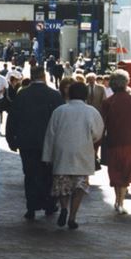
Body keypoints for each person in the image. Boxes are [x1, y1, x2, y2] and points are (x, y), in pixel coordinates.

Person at [42, 82, 104, 229]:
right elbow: (98, 133)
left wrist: (47, 156)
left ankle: (63, 207)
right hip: (82, 152)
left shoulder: (59, 111)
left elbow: (50, 134)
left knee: (62, 185)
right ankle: (72, 216)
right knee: (79, 186)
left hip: (62, 153)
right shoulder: (91, 111)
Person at [6, 66, 64, 220]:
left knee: (30, 174)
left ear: (31, 77)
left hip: (27, 142)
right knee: (49, 174)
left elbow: (12, 119)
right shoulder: (55, 95)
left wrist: (11, 140)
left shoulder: (22, 95)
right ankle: (49, 205)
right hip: (49, 143)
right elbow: (61, 122)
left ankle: (31, 207)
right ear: (44, 76)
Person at [101, 70, 131, 215]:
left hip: (113, 141)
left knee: (115, 170)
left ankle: (117, 199)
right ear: (126, 82)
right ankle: (121, 202)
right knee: (127, 170)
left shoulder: (107, 102)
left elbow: (103, 122)